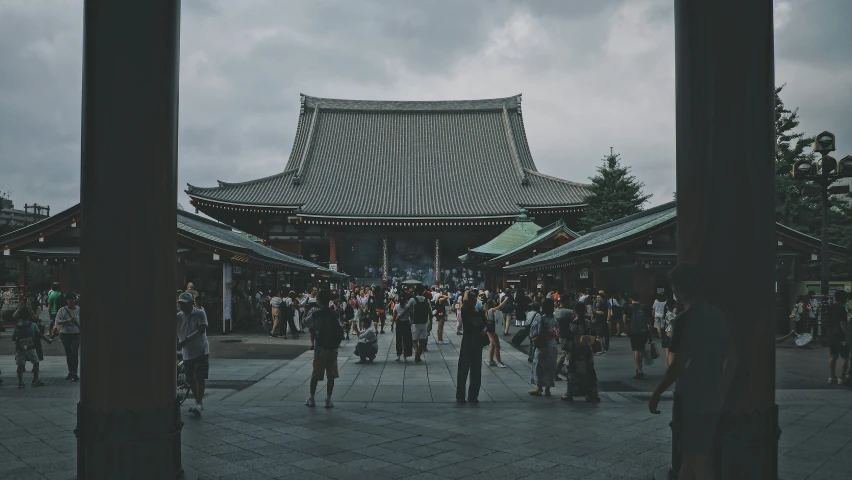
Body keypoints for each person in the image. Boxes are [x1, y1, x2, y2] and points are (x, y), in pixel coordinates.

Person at [649, 263, 737, 480]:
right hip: (713, 393)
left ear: (678, 288)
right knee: (693, 454)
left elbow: (679, 365)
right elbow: (733, 358)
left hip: (690, 394)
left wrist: (658, 392)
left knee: (697, 457)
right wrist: (722, 390)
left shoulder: (685, 320)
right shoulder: (718, 316)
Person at [306, 290, 344, 408]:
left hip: (320, 348)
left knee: (316, 374)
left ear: (319, 301)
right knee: (331, 375)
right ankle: (328, 399)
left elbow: (306, 323)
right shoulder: (335, 314)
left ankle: (312, 398)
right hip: (333, 348)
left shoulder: (315, 314)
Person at [177, 292, 209, 416]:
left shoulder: (199, 313)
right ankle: (198, 400)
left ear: (191, 303)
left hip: (201, 349)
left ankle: (199, 402)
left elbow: (201, 329)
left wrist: (185, 340)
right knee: (189, 378)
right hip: (187, 352)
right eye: (180, 304)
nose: (182, 307)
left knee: (200, 376)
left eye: (184, 304)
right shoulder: (179, 316)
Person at [562, 302, 599, 402]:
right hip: (587, 350)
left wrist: (565, 351)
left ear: (574, 311)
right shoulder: (588, 322)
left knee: (572, 371)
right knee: (589, 371)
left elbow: (569, 338)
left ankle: (569, 393)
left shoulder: (574, 323)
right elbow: (594, 335)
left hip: (575, 351)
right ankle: (591, 393)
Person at [456, 290, 486, 404]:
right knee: (472, 370)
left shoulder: (474, 311)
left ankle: (465, 396)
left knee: (468, 370)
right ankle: (468, 396)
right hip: (473, 341)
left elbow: (484, 325)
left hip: (471, 341)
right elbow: (483, 326)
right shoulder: (469, 311)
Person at [529, 298, 559, 396]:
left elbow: (534, 332)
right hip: (552, 345)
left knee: (539, 366)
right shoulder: (554, 319)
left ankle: (539, 387)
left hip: (542, 346)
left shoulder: (540, 318)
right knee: (550, 367)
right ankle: (548, 388)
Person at [55, 294, 82, 381]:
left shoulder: (79, 310)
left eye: (72, 299)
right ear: (66, 300)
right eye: (69, 299)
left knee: (74, 352)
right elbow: (57, 322)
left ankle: (74, 372)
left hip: (76, 333)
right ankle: (71, 372)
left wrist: (76, 323)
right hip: (65, 334)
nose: (71, 301)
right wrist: (68, 320)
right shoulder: (62, 310)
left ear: (75, 300)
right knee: (68, 353)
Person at [825, 290, 849, 385]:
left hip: (831, 335)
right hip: (841, 336)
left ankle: (831, 377)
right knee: (845, 357)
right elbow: (842, 323)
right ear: (843, 298)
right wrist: (847, 334)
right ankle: (841, 378)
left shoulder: (830, 307)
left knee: (833, 356)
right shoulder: (841, 308)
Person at [624, 293, 650, 379]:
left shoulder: (628, 308)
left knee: (636, 350)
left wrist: (626, 325)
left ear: (631, 299)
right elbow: (648, 320)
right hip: (643, 331)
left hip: (633, 331)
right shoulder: (644, 307)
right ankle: (640, 366)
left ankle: (639, 371)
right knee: (641, 349)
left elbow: (624, 319)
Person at [408, 286, 432, 363]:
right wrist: (430, 323)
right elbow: (430, 313)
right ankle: (417, 356)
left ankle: (417, 352)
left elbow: (408, 309)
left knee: (414, 340)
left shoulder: (412, 300)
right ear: (423, 291)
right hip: (424, 322)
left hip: (415, 322)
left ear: (416, 292)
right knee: (423, 340)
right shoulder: (427, 300)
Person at [484, 296, 507, 368]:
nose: (495, 303)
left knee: (493, 346)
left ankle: (491, 360)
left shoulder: (486, 310)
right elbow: (499, 307)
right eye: (493, 302)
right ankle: (499, 362)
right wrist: (505, 300)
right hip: (492, 330)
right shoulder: (491, 310)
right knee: (497, 346)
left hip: (490, 330)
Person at [393, 292, 413, 362]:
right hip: (406, 323)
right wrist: (412, 324)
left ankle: (398, 355)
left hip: (399, 323)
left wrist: (392, 324)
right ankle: (405, 356)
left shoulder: (396, 306)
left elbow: (394, 316)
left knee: (398, 339)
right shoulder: (407, 306)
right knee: (406, 340)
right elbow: (411, 316)